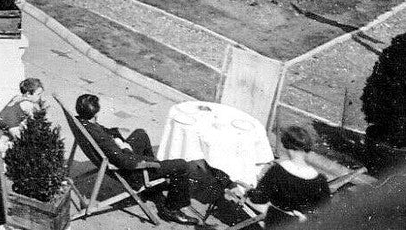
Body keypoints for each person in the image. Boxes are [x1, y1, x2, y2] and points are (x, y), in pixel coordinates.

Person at [75, 94, 229, 225]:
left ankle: (153, 183)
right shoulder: (96, 133)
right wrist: (126, 147)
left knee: (141, 134)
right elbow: (124, 161)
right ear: (94, 114)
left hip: (119, 157)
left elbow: (107, 135)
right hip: (131, 171)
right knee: (182, 165)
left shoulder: (83, 123)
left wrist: (119, 141)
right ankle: (171, 209)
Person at [227, 125, 330, 226]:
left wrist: (249, 191)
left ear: (286, 145)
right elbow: (325, 213)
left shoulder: (278, 171)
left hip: (276, 221)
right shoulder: (320, 180)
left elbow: (259, 198)